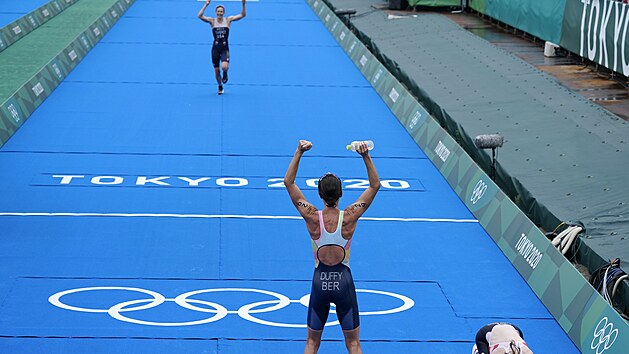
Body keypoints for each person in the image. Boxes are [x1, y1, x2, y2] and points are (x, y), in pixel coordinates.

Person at [284, 140, 380, 354]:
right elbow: (375, 186)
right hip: (344, 282)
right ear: (341, 194)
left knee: (311, 343)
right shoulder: (350, 217)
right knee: (353, 343)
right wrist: (365, 156)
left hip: (320, 282)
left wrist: (299, 151)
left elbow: (289, 183)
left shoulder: (311, 216)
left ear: (319, 195)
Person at [197, 0, 246, 95]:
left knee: (224, 67)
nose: (219, 13)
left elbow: (242, 15)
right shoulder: (212, 21)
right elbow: (199, 16)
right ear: (216, 12)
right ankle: (220, 86)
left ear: (224, 12)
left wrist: (243, 4)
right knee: (216, 71)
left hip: (224, 48)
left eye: (221, 11)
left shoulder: (228, 20)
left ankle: (225, 73)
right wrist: (206, 5)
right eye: (218, 11)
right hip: (215, 49)